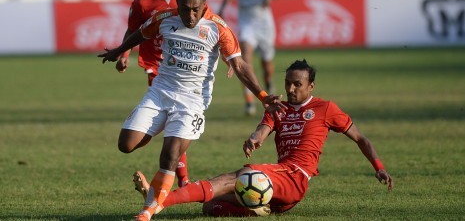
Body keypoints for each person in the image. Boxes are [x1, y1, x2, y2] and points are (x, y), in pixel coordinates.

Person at [98, 0, 286, 221]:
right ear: (178, 3)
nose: (190, 15)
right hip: (160, 93)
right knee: (126, 144)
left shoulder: (218, 27)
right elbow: (140, 34)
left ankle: (147, 211)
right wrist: (119, 51)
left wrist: (261, 95)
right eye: (185, 8)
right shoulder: (164, 18)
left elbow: (238, 63)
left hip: (192, 101)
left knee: (170, 154)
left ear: (204, 5)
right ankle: (165, 127)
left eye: (196, 9)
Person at [132, 59, 394, 217]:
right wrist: (254, 139)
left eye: (297, 85)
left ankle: (158, 202)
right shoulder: (277, 108)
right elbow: (263, 129)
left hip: (295, 176)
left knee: (235, 177)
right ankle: (260, 209)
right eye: (287, 83)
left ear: (311, 86)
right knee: (210, 207)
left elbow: (361, 138)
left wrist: (379, 168)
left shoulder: (326, 109)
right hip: (280, 183)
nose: (290, 89)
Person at [115, 0, 191, 189]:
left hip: (186, 71)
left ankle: (183, 180)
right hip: (157, 68)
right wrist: (124, 53)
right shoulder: (143, 2)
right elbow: (133, 31)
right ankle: (182, 179)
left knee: (175, 124)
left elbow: (209, 27)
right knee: (172, 123)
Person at [218, 0, 284, 116]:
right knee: (244, 57)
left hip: (264, 23)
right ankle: (249, 102)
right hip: (246, 23)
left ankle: (268, 82)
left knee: (266, 65)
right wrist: (221, 10)